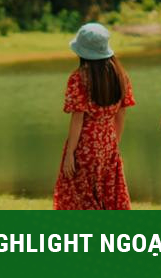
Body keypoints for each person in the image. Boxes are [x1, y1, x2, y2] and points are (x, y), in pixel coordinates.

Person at [53, 22, 136, 210]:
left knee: (82, 197)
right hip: (109, 142)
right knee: (107, 195)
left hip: (85, 146)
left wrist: (69, 154)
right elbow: (121, 113)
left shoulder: (79, 78)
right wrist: (114, 143)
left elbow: (77, 119)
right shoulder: (120, 76)